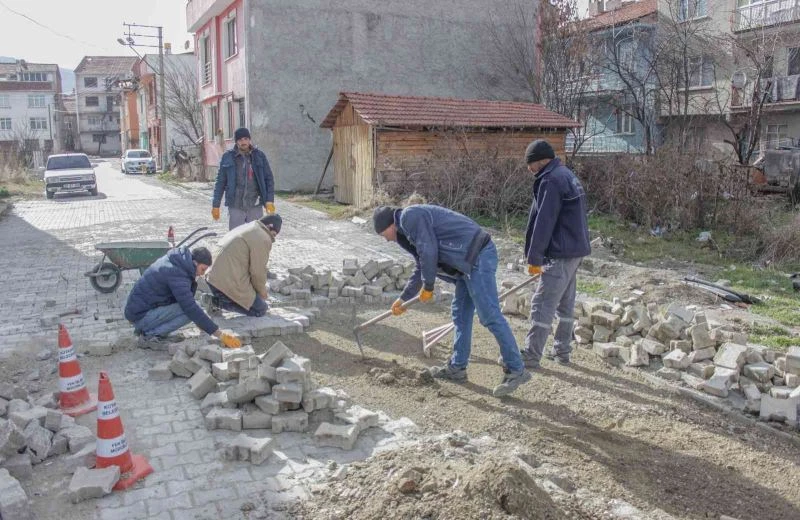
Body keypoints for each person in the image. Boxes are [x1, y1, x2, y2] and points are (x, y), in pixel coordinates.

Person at [373, 204, 532, 398]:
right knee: (460, 314)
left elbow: (428, 250)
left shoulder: (409, 217)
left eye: (383, 234)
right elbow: (421, 262)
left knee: (489, 315)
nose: (387, 239)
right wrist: (404, 298)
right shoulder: (406, 231)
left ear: (390, 225)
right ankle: (457, 368)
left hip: (478, 256)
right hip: (465, 264)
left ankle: (516, 369)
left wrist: (428, 286)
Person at [521, 139, 591, 366]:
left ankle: (531, 355)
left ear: (540, 161)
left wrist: (534, 258)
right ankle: (562, 351)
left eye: (529, 164)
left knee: (542, 304)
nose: (529, 169)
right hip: (574, 249)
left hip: (561, 252)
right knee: (565, 304)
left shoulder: (551, 180)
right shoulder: (566, 174)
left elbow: (544, 221)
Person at [124, 246, 241, 349]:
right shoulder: (177, 274)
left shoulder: (178, 262)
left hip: (139, 310)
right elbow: (190, 308)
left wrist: (202, 325)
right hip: (140, 317)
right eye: (202, 269)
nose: (202, 274)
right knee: (187, 313)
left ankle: (153, 330)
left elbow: (185, 300)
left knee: (190, 310)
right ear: (195, 263)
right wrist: (220, 334)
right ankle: (149, 335)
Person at [205, 214, 282, 316]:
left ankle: (219, 299)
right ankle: (217, 302)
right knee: (261, 309)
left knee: (251, 298)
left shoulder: (249, 226)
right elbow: (257, 272)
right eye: (273, 234)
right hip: (225, 281)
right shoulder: (262, 236)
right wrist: (262, 293)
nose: (272, 238)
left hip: (211, 276)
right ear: (269, 226)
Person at [212, 127, 276, 230]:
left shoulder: (259, 156)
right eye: (240, 140)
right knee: (235, 238)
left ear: (249, 140)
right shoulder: (227, 157)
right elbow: (220, 183)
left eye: (246, 139)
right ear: (236, 142)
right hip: (236, 205)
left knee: (256, 236)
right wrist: (216, 205)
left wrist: (269, 200)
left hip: (255, 204)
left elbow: (269, 179)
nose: (243, 142)